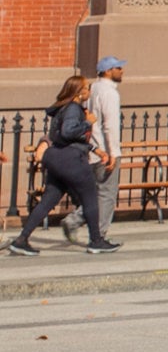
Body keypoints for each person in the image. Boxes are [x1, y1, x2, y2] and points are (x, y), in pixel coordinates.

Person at [8, 73, 117, 256]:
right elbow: (68, 132)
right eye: (87, 88)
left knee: (48, 201)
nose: (89, 91)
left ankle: (21, 240)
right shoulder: (74, 108)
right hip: (71, 160)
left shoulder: (62, 108)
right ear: (79, 92)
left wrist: (93, 149)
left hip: (56, 157)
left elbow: (64, 138)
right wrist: (87, 124)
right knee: (90, 197)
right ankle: (96, 241)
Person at [58, 57, 121, 245]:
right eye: (118, 68)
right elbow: (110, 125)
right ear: (108, 71)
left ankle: (75, 221)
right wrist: (113, 152)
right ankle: (98, 234)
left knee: (93, 193)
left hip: (90, 148)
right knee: (107, 194)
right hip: (104, 150)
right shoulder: (109, 93)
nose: (122, 71)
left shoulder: (91, 89)